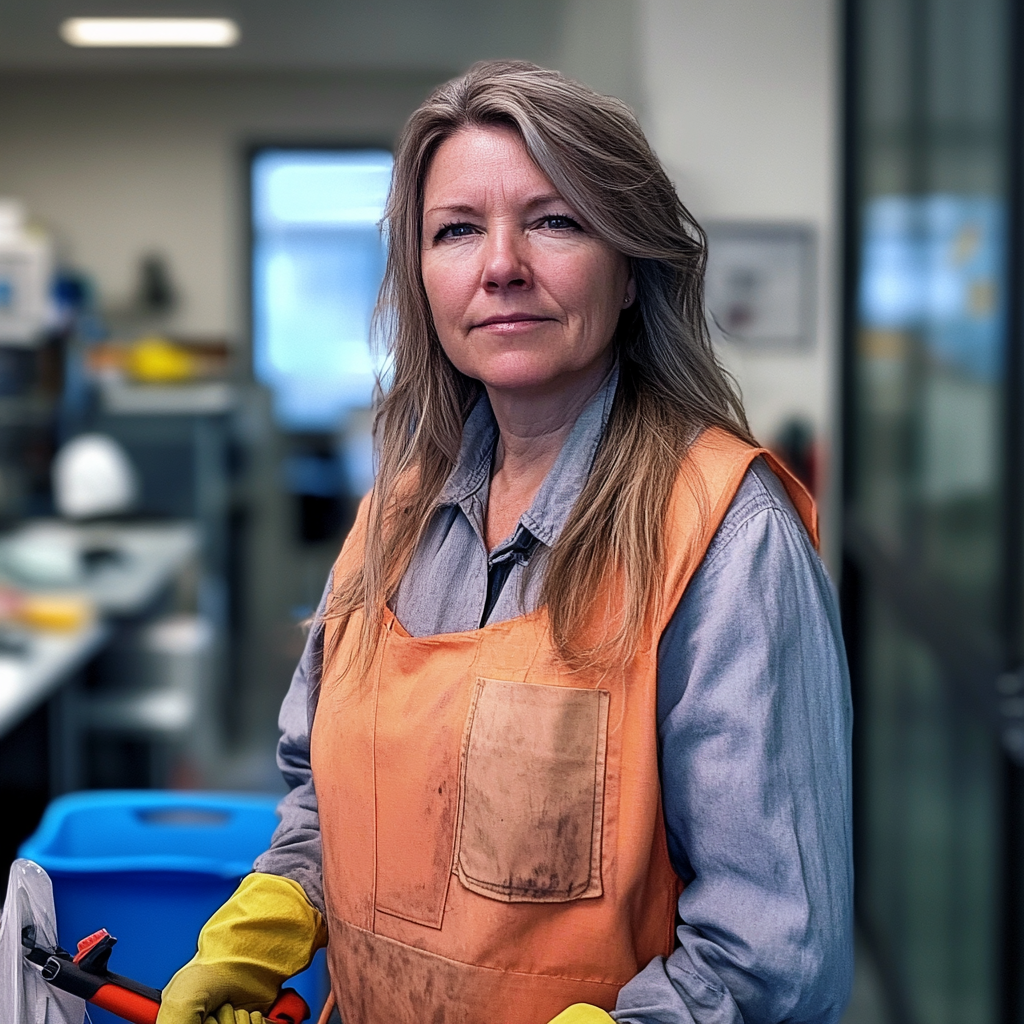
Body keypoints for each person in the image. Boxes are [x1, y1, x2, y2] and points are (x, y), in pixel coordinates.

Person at [158, 60, 853, 1024]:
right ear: (423, 280)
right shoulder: (394, 515)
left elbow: (772, 957)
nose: (500, 265)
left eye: (555, 220)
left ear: (629, 271)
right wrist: (267, 921)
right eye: (456, 230)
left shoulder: (729, 538)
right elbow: (325, 800)